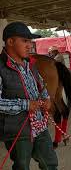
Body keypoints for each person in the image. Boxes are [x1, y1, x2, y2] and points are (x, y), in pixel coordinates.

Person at [0, 22, 58, 169]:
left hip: (39, 126)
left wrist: (47, 99)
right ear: (10, 42)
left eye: (30, 42)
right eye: (25, 41)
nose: (29, 45)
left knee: (50, 163)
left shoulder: (30, 65)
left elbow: (42, 85)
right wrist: (26, 104)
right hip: (17, 129)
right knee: (22, 166)